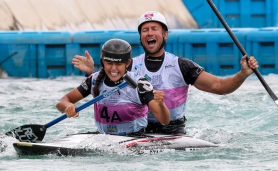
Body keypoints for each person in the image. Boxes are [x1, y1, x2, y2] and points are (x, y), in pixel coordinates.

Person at [72, 11, 259, 135]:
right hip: (138, 131)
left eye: (154, 29)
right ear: (140, 37)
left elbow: (220, 87)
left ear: (165, 35)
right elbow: (109, 87)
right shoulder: (129, 65)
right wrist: (93, 72)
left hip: (172, 132)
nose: (149, 33)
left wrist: (242, 74)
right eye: (145, 30)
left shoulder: (182, 66)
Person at [57, 38, 170, 136]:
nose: (113, 69)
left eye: (118, 64)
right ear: (103, 62)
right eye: (109, 63)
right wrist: (68, 106)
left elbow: (164, 121)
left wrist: (161, 104)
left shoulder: (140, 84)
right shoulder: (94, 80)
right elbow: (62, 102)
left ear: (128, 63)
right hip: (103, 138)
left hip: (134, 139)